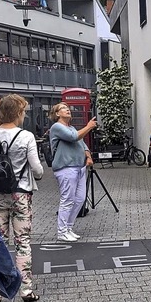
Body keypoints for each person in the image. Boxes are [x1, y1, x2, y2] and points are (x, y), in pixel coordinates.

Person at [0, 93, 44, 302]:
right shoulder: (26, 136)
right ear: (18, 113)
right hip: (20, 194)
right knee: (22, 242)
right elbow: (38, 169)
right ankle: (26, 290)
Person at [49, 102, 96, 242]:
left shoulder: (72, 127)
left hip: (79, 167)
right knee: (67, 200)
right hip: (66, 168)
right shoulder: (57, 127)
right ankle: (61, 231)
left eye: (68, 108)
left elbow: (82, 143)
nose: (67, 110)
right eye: (63, 108)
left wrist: (88, 156)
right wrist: (88, 127)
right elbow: (74, 137)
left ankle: (68, 227)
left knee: (80, 199)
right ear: (57, 114)